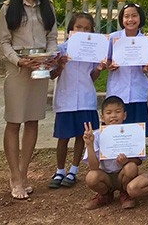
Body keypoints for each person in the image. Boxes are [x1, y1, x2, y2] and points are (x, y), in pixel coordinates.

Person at [0, 0, 58, 200]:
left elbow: (52, 37)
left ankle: (24, 173)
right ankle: (14, 175)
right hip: (18, 69)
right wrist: (18, 61)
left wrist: (49, 57)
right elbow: (3, 42)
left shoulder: (48, 7)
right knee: (14, 121)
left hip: (40, 68)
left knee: (32, 120)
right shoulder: (8, 9)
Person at [48, 12, 105, 190]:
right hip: (66, 99)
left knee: (83, 136)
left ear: (91, 31)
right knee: (63, 137)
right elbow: (51, 75)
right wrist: (60, 65)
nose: (82, 30)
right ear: (71, 28)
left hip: (86, 99)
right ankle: (59, 170)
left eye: (86, 28)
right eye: (78, 27)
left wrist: (100, 68)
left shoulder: (94, 52)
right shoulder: (61, 50)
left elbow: (92, 76)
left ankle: (74, 170)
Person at [82, 96, 142, 210]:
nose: (113, 116)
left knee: (131, 167)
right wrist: (89, 145)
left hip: (122, 174)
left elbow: (139, 161)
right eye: (109, 113)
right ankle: (105, 195)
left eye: (118, 112)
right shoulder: (97, 135)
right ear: (103, 117)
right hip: (105, 176)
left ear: (124, 115)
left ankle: (125, 193)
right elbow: (93, 167)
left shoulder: (132, 132)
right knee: (91, 177)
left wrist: (126, 161)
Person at [107, 3, 148, 135]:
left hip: (137, 93)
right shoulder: (113, 38)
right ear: (122, 19)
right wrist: (109, 64)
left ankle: (136, 156)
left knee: (137, 131)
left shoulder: (145, 41)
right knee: (116, 130)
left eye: (134, 16)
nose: (130, 20)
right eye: (126, 16)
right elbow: (105, 60)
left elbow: (146, 65)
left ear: (140, 18)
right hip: (117, 91)